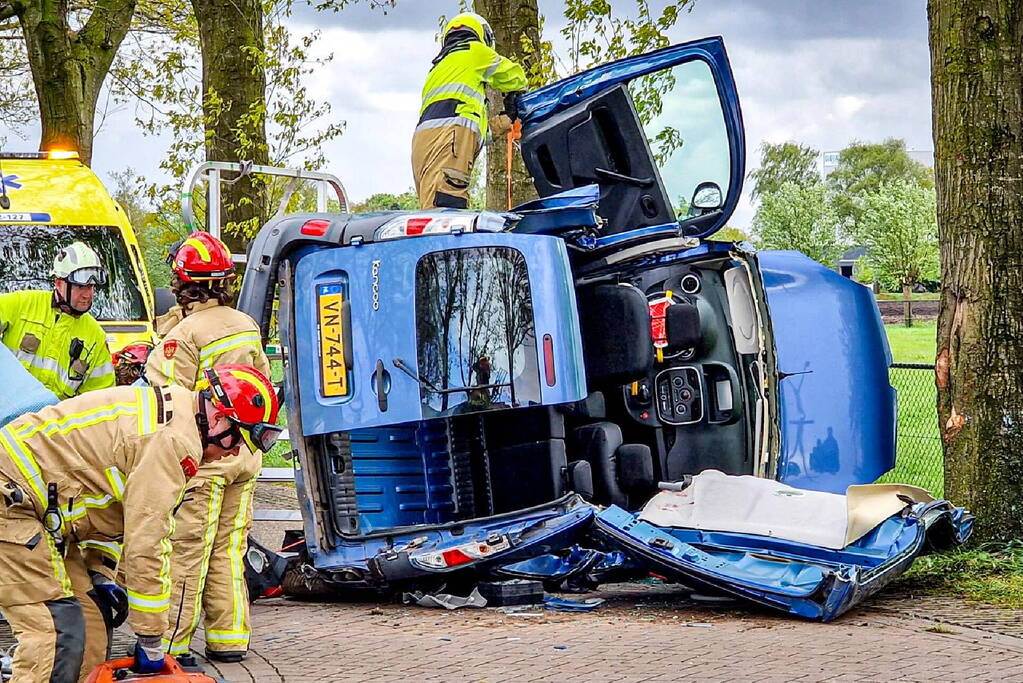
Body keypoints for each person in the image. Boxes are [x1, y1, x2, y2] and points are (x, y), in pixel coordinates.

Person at [0, 364, 282, 682]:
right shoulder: (173, 442)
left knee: (92, 623)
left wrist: (101, 572)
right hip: (11, 499)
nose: (232, 454)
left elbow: (103, 508)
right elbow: (147, 545)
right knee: (54, 632)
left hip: (38, 510)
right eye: (236, 441)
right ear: (218, 418)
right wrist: (151, 640)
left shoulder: (174, 418)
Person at [145, 231, 271, 664]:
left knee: (187, 550)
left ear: (182, 282)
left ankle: (173, 647)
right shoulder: (245, 325)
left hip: (205, 461)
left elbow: (165, 399)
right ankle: (230, 637)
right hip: (244, 458)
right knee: (229, 547)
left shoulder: (185, 334)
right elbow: (261, 390)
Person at [411, 11, 527, 209]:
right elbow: (515, 76)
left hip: (422, 143)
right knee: (447, 206)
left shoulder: (437, 70)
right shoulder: (473, 51)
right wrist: (516, 93)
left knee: (430, 205)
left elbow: (470, 129)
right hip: (450, 140)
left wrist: (506, 120)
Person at [0, 241, 115, 399]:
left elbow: (101, 401)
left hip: (56, 423)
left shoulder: (96, 338)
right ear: (59, 283)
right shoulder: (22, 304)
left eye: (91, 287)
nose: (87, 294)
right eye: (80, 287)